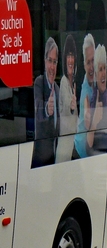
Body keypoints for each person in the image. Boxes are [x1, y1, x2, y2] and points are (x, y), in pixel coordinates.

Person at [31, 37, 59, 167]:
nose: (52, 67)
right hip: (41, 157)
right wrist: (47, 109)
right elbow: (38, 108)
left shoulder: (57, 89)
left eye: (55, 62)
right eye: (49, 61)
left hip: (55, 155)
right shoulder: (39, 82)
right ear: (44, 61)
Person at [82, 43, 107, 157]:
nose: (103, 73)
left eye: (105, 68)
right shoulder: (90, 101)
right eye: (100, 69)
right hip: (96, 159)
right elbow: (88, 147)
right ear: (95, 74)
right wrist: (94, 121)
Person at [56, 34, 78, 163]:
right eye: (68, 56)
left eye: (72, 56)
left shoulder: (73, 82)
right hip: (65, 142)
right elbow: (64, 110)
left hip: (72, 141)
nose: (70, 60)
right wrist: (70, 107)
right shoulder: (64, 81)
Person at [74, 34, 96, 159]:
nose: (91, 66)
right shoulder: (86, 91)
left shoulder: (92, 81)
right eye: (88, 62)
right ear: (84, 65)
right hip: (82, 151)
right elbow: (89, 124)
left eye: (93, 60)